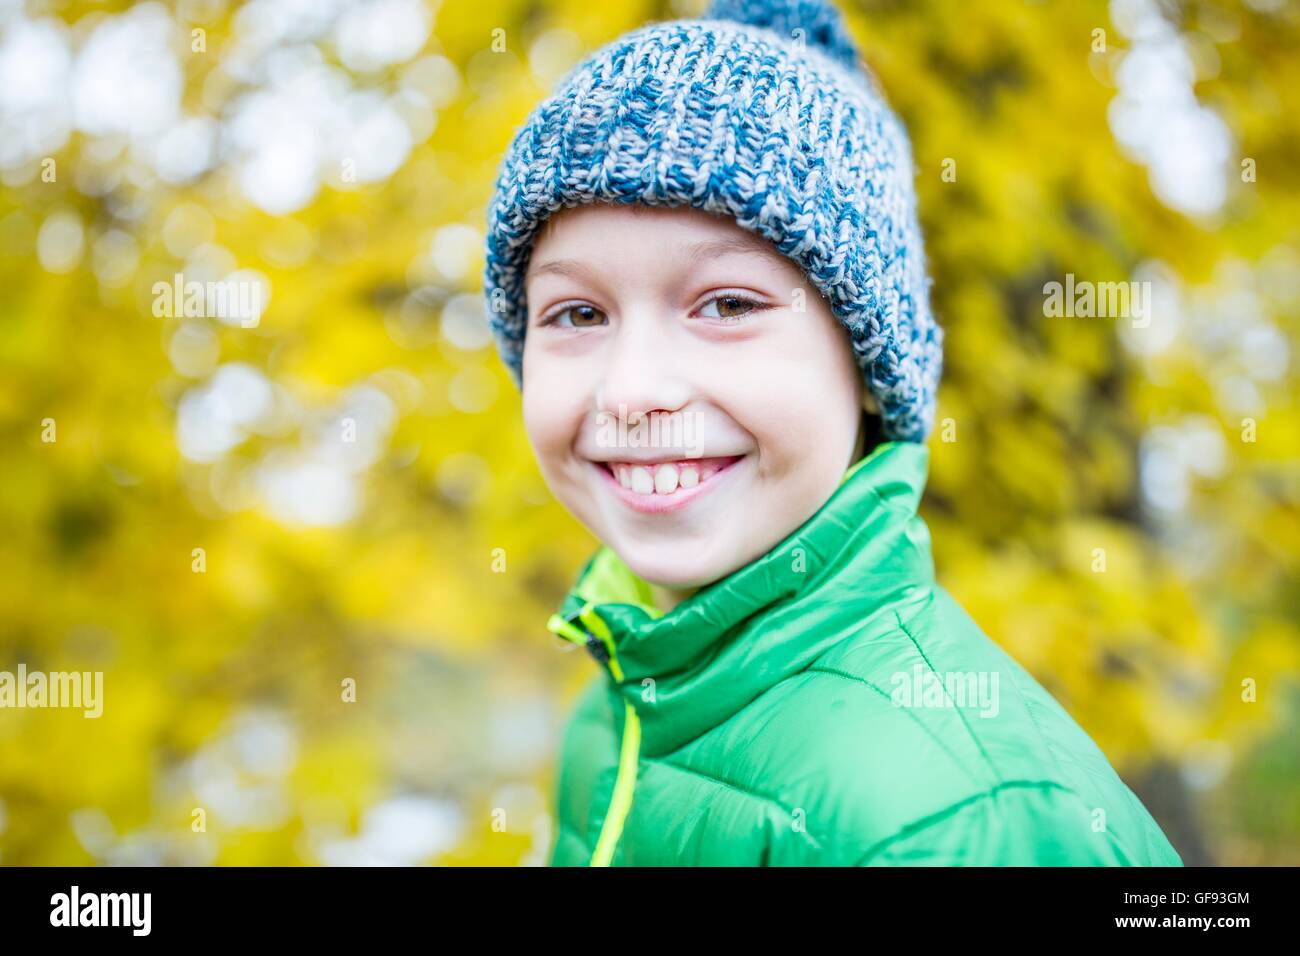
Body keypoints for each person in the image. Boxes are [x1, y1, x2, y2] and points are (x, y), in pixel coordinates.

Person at [481, 0, 1183, 866]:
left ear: (867, 367)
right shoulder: (626, 697)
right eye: (578, 312)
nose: (632, 391)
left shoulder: (962, 822)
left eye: (728, 304)